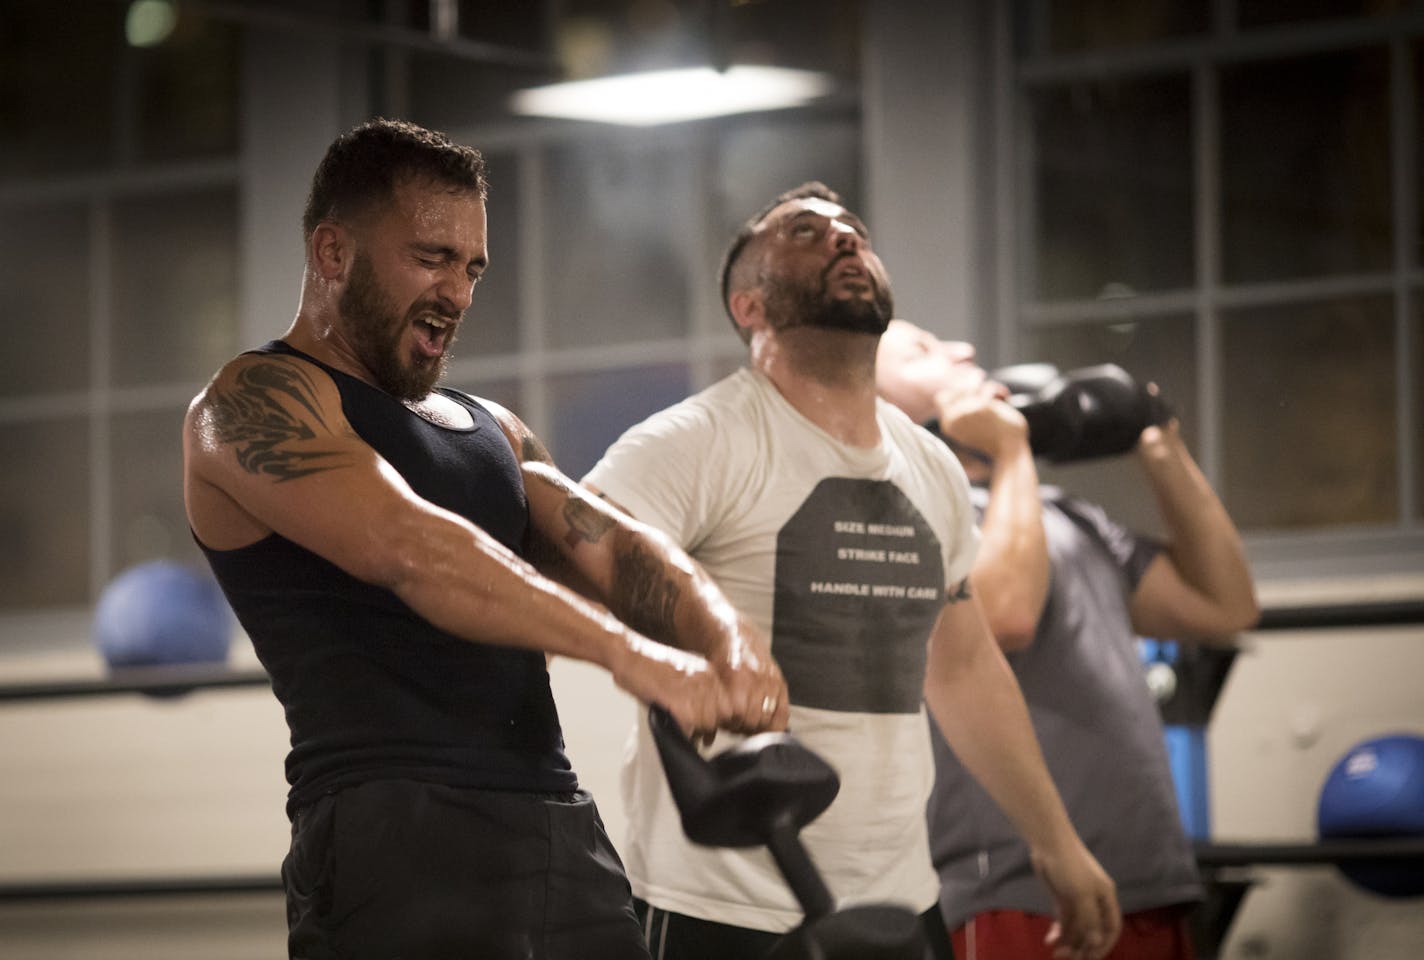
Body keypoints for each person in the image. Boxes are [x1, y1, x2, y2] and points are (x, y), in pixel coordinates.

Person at [181, 118, 788, 960]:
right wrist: (636, 658)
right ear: (332, 252)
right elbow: (411, 548)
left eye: (472, 268)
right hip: (388, 829)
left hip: (553, 819)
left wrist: (724, 636)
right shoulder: (254, 401)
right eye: (431, 258)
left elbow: (611, 544)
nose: (457, 294)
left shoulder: (489, 427)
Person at [582, 182, 1122, 960]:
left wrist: (1055, 840)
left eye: (854, 232)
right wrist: (666, 658)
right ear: (748, 307)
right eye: (807, 232)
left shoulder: (930, 465)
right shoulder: (694, 441)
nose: (843, 240)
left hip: (900, 901)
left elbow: (965, 667)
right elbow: (573, 553)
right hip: (724, 906)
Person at [875, 318, 1261, 959]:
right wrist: (1013, 453)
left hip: (1148, 880)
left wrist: (1160, 447)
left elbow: (1225, 605)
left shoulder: (1066, 514)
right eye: (924, 352)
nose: (965, 350)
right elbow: (1005, 614)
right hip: (1021, 893)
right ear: (880, 405)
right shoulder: (907, 509)